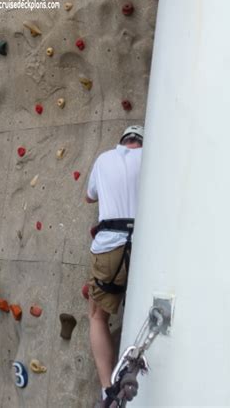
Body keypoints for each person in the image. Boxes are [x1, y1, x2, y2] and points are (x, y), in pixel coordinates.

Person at [85, 125, 144, 407]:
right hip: (144, 245)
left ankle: (107, 389)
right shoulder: (151, 157)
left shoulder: (104, 159)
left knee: (97, 317)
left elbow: (90, 196)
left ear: (123, 141)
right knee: (145, 309)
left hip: (109, 246)